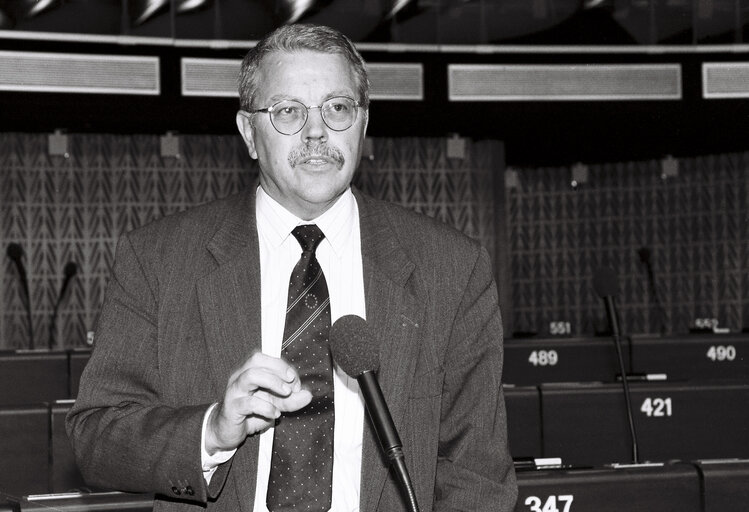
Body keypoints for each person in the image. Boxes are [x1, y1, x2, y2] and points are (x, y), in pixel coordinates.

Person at [66, 23, 517, 512]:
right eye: (287, 112)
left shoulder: (451, 267)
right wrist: (212, 430)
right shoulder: (158, 259)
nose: (317, 131)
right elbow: (97, 437)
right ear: (249, 134)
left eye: (338, 108)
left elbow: (477, 475)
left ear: (363, 123)